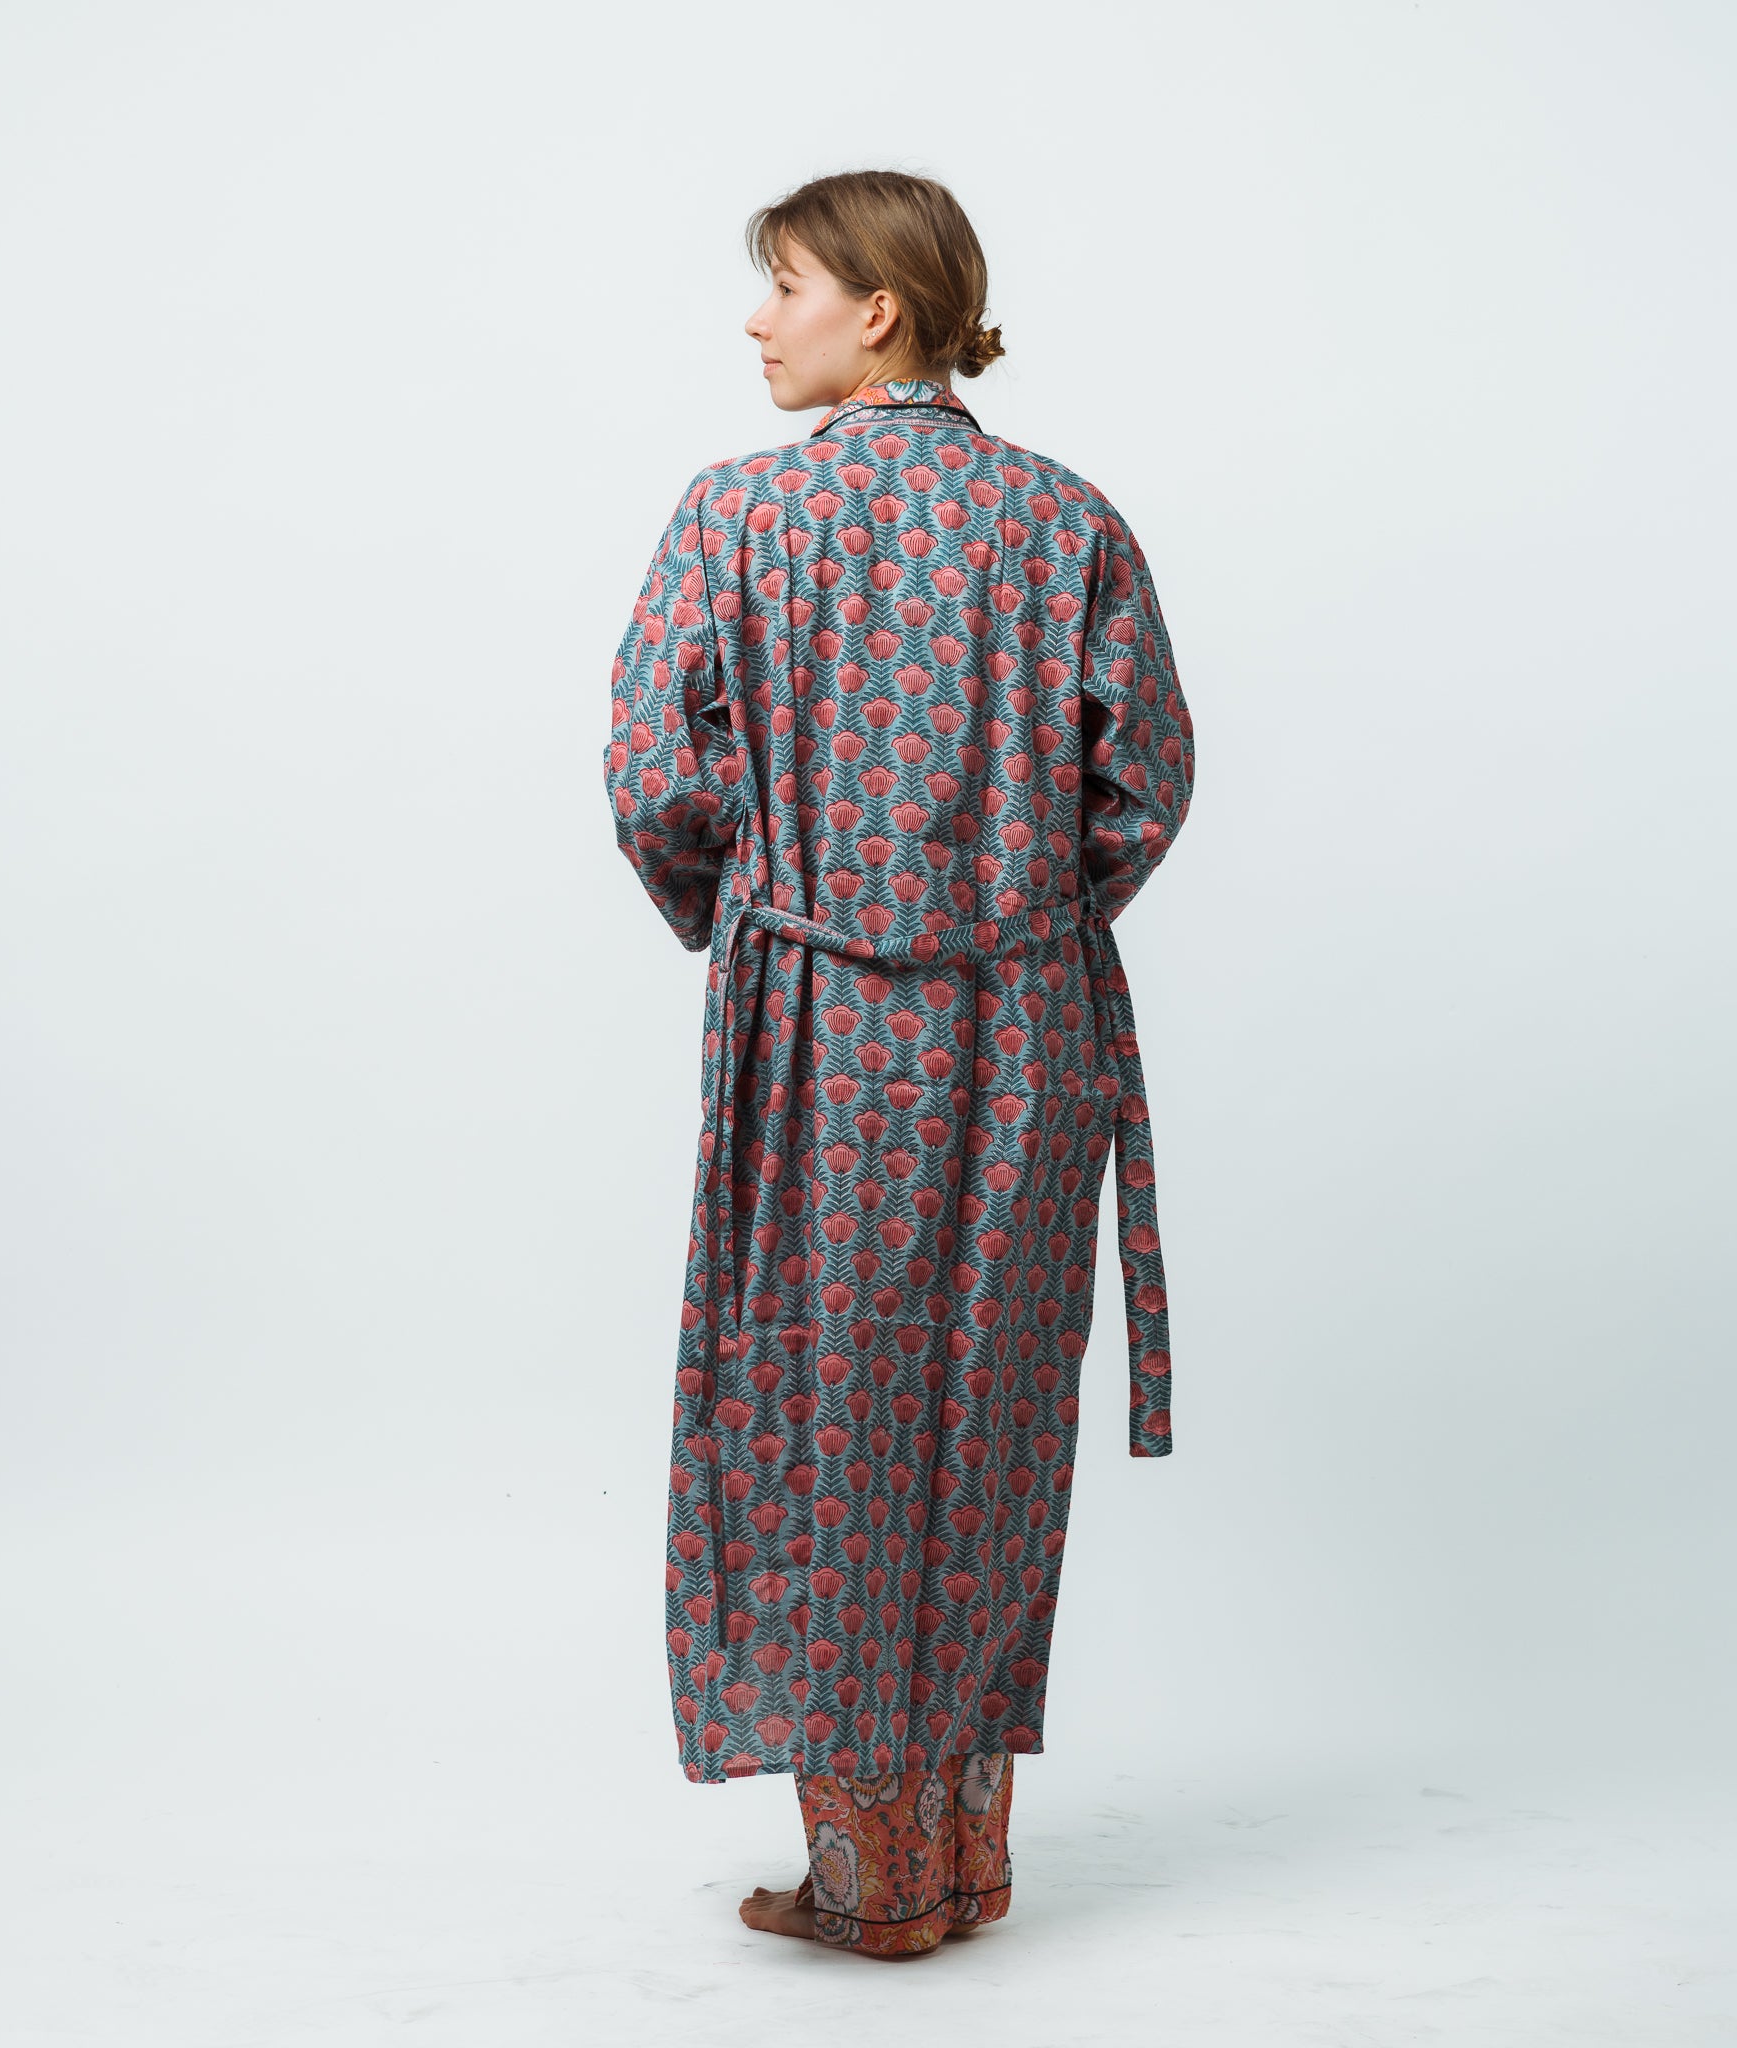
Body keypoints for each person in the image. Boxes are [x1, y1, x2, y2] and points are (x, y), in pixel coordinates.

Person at [603, 169, 1195, 1958]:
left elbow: (656, 784)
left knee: (820, 1416)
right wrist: (1013, 911)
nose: (756, 318)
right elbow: (1146, 781)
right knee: (985, 1422)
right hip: (1026, 1031)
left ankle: (871, 1881)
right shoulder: (1065, 519)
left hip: (814, 1032)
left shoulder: (739, 517)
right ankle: (958, 1864)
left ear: (878, 307)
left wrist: (764, 910)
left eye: (783, 285)